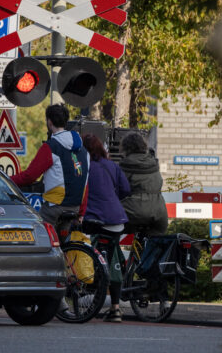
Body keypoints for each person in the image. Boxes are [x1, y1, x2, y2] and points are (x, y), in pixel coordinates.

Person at [11, 104, 90, 229]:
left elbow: (29, 176)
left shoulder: (51, 147)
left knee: (38, 234)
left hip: (54, 208)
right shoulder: (84, 151)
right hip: (75, 207)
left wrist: (7, 180)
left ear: (49, 122)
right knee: (63, 244)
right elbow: (85, 183)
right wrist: (81, 212)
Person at [80, 133, 131, 323]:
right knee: (113, 256)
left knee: (87, 250)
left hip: (95, 220)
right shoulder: (112, 166)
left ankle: (86, 292)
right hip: (117, 221)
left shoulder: (84, 167)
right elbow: (126, 190)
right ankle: (115, 308)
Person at [118, 133, 169, 237]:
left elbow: (119, 189)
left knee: (108, 228)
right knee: (153, 244)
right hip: (159, 213)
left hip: (134, 211)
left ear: (125, 147)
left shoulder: (125, 164)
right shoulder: (153, 162)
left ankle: (108, 252)